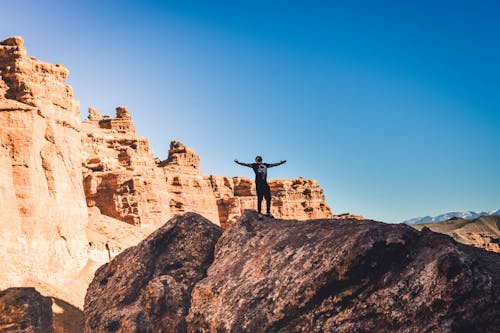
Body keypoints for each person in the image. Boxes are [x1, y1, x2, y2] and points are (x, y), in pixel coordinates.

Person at [234, 156, 286, 220]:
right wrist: (238, 162)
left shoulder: (265, 165)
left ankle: (268, 212)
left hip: (264, 183)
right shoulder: (254, 165)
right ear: (256, 160)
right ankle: (259, 213)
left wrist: (281, 163)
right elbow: (245, 164)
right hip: (259, 184)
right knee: (260, 198)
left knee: (268, 198)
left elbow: (274, 165)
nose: (258, 160)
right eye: (257, 159)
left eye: (259, 159)